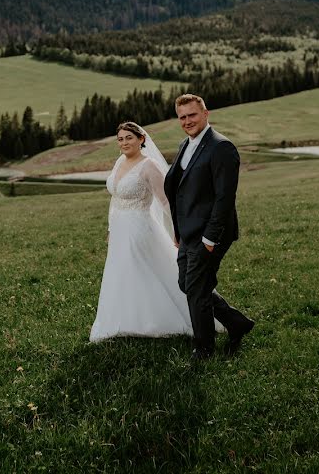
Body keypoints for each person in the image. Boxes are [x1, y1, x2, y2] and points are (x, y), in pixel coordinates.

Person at [89, 122, 215, 342]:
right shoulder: (120, 162)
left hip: (139, 227)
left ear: (141, 139)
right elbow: (115, 198)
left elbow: (166, 202)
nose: (124, 143)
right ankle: (124, 320)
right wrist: (110, 228)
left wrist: (178, 230)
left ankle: (157, 320)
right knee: (120, 273)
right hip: (119, 228)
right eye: (120, 139)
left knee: (144, 270)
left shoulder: (149, 166)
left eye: (129, 137)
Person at [163, 94, 255, 360]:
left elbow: (224, 199)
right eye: (182, 117)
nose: (187, 121)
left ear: (206, 114)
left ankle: (203, 349)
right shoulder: (186, 144)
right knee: (187, 284)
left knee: (197, 290)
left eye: (192, 115)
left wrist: (210, 239)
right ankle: (237, 323)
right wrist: (179, 232)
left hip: (210, 234)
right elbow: (180, 190)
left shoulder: (221, 147)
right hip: (188, 233)